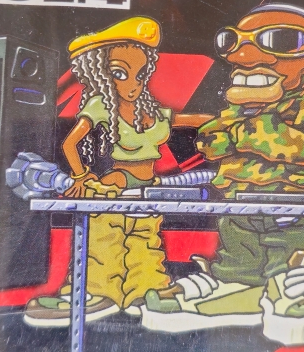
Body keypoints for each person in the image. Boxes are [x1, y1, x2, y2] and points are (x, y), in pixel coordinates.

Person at [141, 3, 304, 346]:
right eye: (232, 41)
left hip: (294, 208)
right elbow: (213, 143)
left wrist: (240, 135)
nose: (243, 56)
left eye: (279, 40)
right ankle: (240, 284)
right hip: (239, 208)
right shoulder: (234, 115)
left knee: (299, 249)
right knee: (238, 257)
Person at [23, 16, 211, 327]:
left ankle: (145, 291)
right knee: (106, 238)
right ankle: (95, 292)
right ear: (100, 73)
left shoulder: (149, 111)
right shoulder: (100, 106)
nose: (133, 84)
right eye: (120, 74)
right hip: (116, 184)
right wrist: (80, 176)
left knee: (144, 241)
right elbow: (71, 144)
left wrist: (225, 120)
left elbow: (185, 120)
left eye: (140, 74)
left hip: (148, 187)